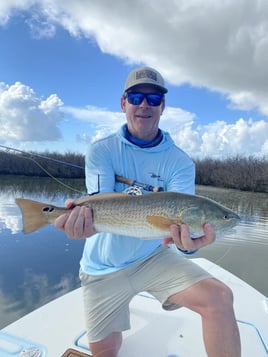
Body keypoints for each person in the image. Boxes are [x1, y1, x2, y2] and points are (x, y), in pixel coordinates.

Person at [55, 66, 241, 357]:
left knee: (220, 298)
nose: (144, 105)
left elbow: (183, 226)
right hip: (102, 267)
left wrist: (189, 247)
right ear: (123, 103)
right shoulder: (101, 150)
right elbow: (98, 203)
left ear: (163, 107)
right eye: (136, 97)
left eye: (154, 99)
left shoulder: (179, 162)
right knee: (106, 351)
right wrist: (79, 223)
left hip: (152, 258)